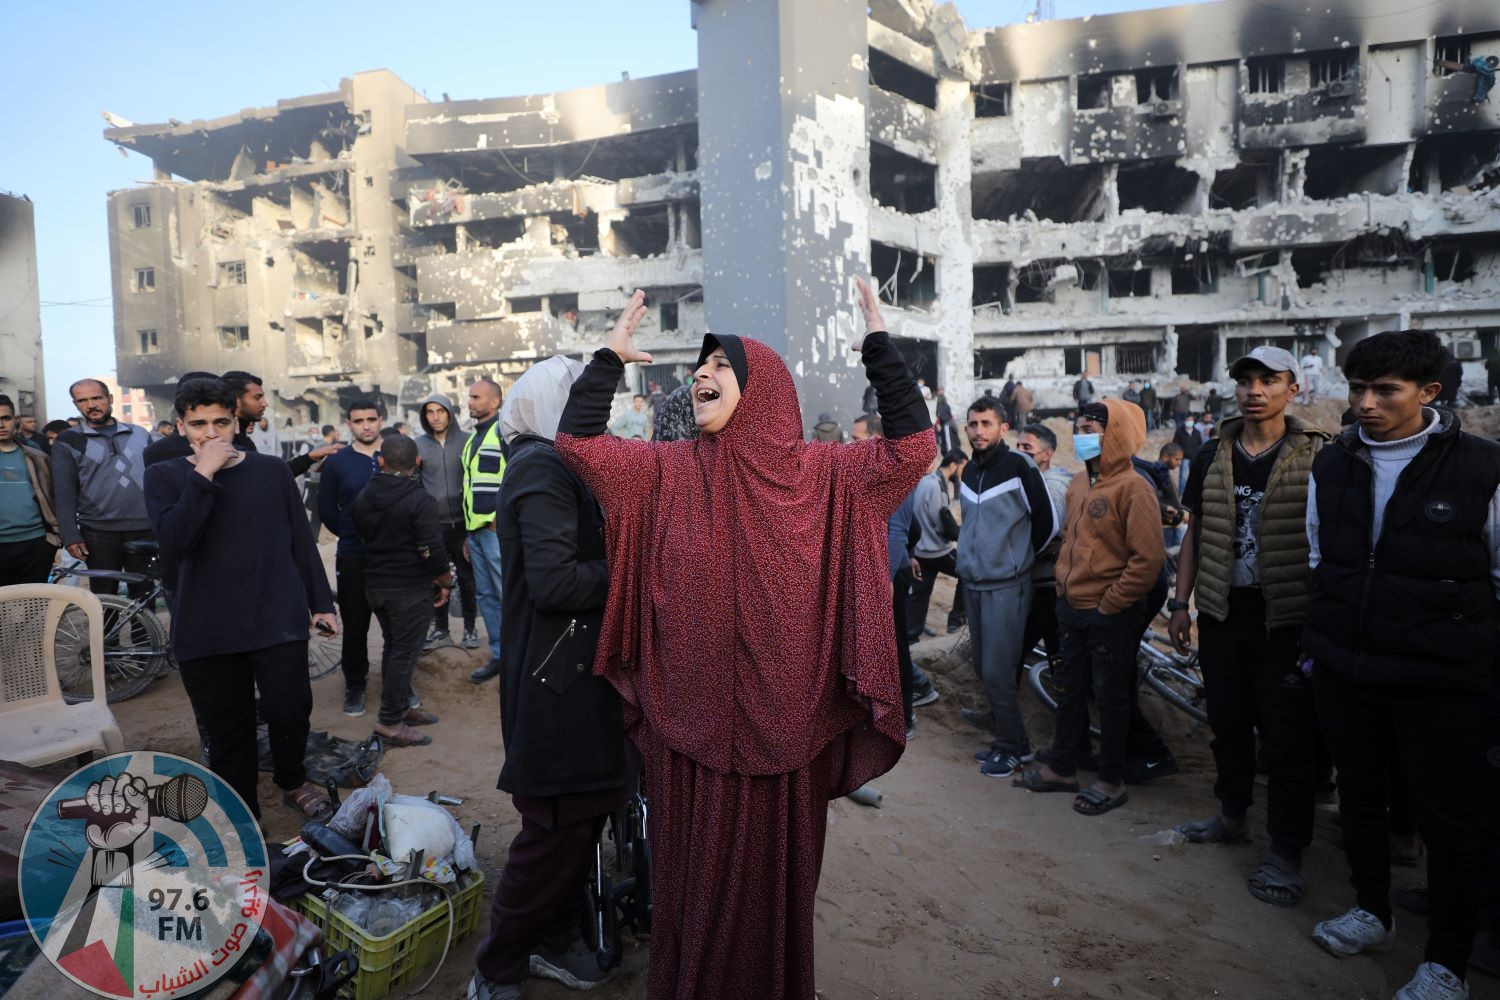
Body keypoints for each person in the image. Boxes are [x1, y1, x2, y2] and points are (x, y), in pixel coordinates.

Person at [553, 282, 934, 999]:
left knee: (771, 904)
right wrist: (607, 358)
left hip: (782, 746)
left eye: (721, 367)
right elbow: (578, 445)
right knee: (690, 894)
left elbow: (913, 447)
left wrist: (880, 347)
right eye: (699, 367)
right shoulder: (661, 474)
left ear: (765, 390)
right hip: (687, 737)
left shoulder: (827, 475)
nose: (702, 375)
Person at [1303, 330, 1497, 1000]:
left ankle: (1445, 963)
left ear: (1429, 392)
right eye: (1357, 388)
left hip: (1440, 678)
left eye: (1385, 390)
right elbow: (1317, 553)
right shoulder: (1334, 464)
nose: (1365, 403)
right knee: (1359, 797)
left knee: (1447, 819)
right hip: (1347, 666)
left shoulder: (1481, 468)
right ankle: (1371, 911)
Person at [470, 357, 632, 999]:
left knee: (578, 824)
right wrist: (633, 570)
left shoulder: (560, 464)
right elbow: (555, 582)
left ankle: (555, 937)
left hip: (572, 674)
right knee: (551, 834)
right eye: (582, 397)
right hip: (556, 684)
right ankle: (497, 966)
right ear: (551, 404)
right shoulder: (541, 467)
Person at [1167, 346, 1329, 908]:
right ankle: (1232, 814)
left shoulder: (1317, 456)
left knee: (1288, 739)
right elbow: (1195, 531)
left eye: (1269, 380)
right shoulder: (1213, 453)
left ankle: (1286, 852)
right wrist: (1181, 603)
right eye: (1246, 381)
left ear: (1293, 389)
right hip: (1221, 612)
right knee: (1229, 724)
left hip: (1286, 620)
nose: (1255, 389)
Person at [143, 377, 335, 822]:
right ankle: (243, 814)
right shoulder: (164, 476)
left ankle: (291, 779)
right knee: (229, 731)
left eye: (221, 422)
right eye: (198, 424)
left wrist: (321, 603)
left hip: (275, 614)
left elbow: (300, 541)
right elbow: (176, 539)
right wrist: (203, 473)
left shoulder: (270, 470)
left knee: (290, 710)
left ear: (237, 422)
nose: (211, 433)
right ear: (181, 426)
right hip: (206, 625)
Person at [1013, 400, 1164, 816]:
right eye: (1078, 427)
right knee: (1070, 689)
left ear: (1115, 434)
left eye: (1091, 427)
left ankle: (1111, 780)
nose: (1081, 434)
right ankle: (1063, 767)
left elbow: (1147, 561)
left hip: (1110, 613)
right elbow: (1068, 541)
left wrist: (1110, 603)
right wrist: (1064, 584)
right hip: (1072, 608)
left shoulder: (1135, 488)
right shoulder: (1079, 484)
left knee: (1112, 696)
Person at [955, 396, 1055, 776]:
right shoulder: (969, 472)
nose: (978, 431)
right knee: (983, 667)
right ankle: (1005, 737)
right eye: (973, 424)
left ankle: (1017, 747)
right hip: (974, 584)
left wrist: (1018, 563)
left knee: (998, 670)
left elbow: (1046, 525)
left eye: (985, 424)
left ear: (1003, 427)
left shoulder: (1020, 466)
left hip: (1007, 586)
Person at [353, 434, 451, 748]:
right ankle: (390, 722)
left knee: (394, 649)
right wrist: (444, 579)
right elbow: (432, 548)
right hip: (408, 588)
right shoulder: (419, 499)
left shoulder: (364, 495)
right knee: (403, 654)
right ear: (416, 462)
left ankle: (400, 709)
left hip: (376, 585)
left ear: (381, 461)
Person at [51, 378, 154, 598]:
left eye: (97, 398)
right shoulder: (68, 440)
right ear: (76, 404)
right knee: (104, 597)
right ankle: (108, 635)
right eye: (83, 400)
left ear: (110, 399)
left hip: (145, 528)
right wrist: (70, 534)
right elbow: (63, 490)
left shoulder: (140, 434)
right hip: (98, 532)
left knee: (144, 594)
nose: (91, 405)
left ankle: (145, 635)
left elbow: (158, 481)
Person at [318, 400, 384, 717]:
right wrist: (348, 531)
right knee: (356, 625)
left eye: (371, 419)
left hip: (395, 558)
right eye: (359, 421)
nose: (366, 425)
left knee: (396, 625)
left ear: (380, 420)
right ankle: (355, 685)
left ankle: (400, 684)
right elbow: (327, 508)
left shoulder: (396, 453)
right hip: (354, 555)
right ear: (349, 424)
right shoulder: (338, 462)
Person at [1013, 422, 1073, 737]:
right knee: (1012, 654)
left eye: (1027, 449)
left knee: (1059, 662)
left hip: (1050, 588)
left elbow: (1051, 538)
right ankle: (1002, 719)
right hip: (1036, 588)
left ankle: (1072, 740)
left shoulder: (1051, 487)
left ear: (1047, 454)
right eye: (1019, 447)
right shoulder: (1032, 482)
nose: (1020, 454)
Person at [416, 393, 479, 651]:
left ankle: (470, 630)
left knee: (467, 578)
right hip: (433, 526)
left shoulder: (467, 441)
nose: (435, 417)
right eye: (430, 412)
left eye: (440, 411)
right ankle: (441, 629)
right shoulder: (417, 444)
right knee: (437, 577)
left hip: (463, 524)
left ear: (450, 413)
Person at [462, 378, 508, 684]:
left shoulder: (505, 433)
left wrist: (500, 519)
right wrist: (469, 532)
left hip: (495, 531)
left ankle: (520, 655)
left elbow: (516, 476)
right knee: (487, 595)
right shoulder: (472, 438)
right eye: (470, 397)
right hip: (476, 532)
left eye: (476, 397)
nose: (470, 402)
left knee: (507, 594)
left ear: (494, 402)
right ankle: (500, 655)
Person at [908, 450, 967, 641]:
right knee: (968, 573)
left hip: (921, 550)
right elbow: (942, 522)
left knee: (919, 595)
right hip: (937, 551)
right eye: (963, 468)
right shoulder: (935, 486)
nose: (962, 473)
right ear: (954, 465)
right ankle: (956, 621)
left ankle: (911, 635)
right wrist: (959, 535)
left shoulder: (926, 481)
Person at [0, 394, 59, 585]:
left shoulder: (36, 456)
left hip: (35, 542)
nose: (1, 424)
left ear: (15, 420)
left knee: (34, 607)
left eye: (5, 418)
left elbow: (52, 496)